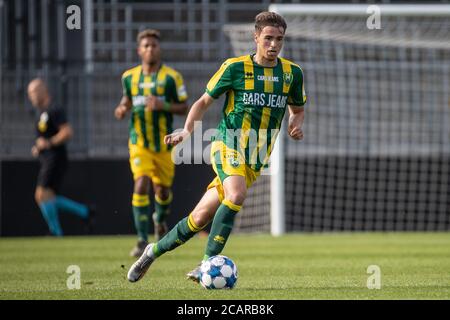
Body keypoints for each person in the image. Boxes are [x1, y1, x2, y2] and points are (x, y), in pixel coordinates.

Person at [127, 12, 306, 283]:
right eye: (268, 38)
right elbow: (201, 102)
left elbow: (298, 108)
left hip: (255, 159)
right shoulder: (234, 68)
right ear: (256, 37)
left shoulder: (292, 74)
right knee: (236, 194)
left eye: (279, 39)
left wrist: (295, 123)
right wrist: (186, 131)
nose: (273, 45)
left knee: (198, 218)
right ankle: (207, 264)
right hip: (226, 143)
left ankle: (152, 251)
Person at [114, 29, 189, 257]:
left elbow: (184, 107)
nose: (150, 49)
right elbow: (127, 99)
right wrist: (122, 108)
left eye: (153, 45)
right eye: (146, 46)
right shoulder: (129, 77)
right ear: (139, 50)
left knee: (163, 191)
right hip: (139, 143)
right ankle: (141, 239)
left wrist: (162, 106)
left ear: (159, 49)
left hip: (164, 144)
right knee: (141, 183)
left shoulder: (172, 78)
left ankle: (160, 220)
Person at [28, 78, 93, 236]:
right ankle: (85, 212)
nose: (32, 96)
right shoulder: (40, 114)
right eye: (30, 93)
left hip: (56, 158)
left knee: (41, 195)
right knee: (48, 197)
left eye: (35, 91)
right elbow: (43, 138)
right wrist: (38, 146)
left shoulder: (54, 109)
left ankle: (56, 232)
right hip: (47, 159)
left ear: (44, 90)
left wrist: (48, 143)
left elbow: (67, 132)